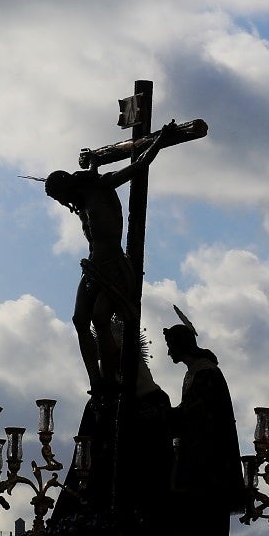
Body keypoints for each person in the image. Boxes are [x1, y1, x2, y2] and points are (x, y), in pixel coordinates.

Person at [43, 126, 170, 403]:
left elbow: (139, 166)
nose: (61, 202)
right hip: (93, 267)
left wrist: (160, 140)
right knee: (79, 320)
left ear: (66, 186)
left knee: (100, 318)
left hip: (113, 265)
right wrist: (93, 162)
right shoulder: (81, 199)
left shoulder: (102, 187)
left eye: (59, 196)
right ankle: (96, 380)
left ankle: (110, 379)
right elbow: (91, 169)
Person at [163, 320, 246, 536]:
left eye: (170, 346)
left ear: (181, 345)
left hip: (208, 462)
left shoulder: (206, 372)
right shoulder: (195, 372)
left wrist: (161, 414)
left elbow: (194, 414)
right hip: (197, 456)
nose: (168, 352)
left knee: (204, 518)